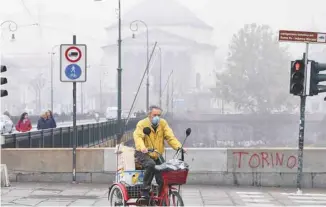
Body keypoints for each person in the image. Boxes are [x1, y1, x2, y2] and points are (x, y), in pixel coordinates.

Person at [133, 105, 184, 198]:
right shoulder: (142, 124)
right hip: (143, 153)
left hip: (156, 154)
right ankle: (145, 189)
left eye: (159, 115)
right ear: (149, 115)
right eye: (154, 115)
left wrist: (179, 147)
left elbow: (170, 137)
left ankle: (161, 198)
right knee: (151, 164)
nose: (157, 117)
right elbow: (138, 137)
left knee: (164, 173)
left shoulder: (163, 123)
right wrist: (143, 147)